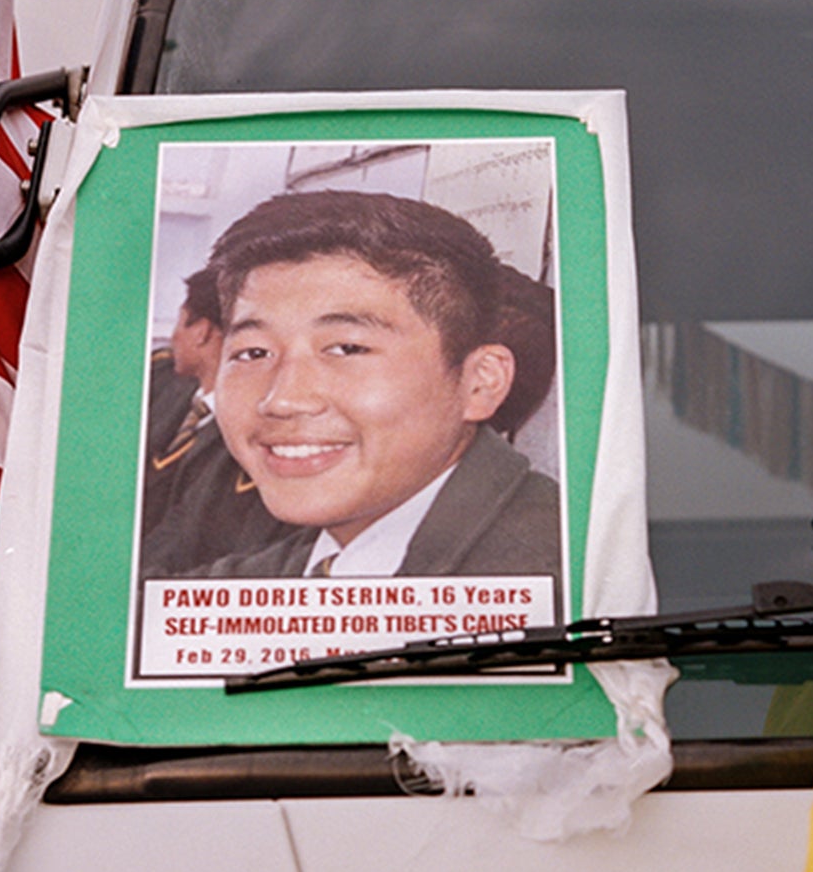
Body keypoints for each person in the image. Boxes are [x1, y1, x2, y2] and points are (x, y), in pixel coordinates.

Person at [198, 190, 562, 586]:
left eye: (346, 348)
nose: (282, 399)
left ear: (479, 383)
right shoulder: (282, 570)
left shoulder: (548, 576)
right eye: (253, 353)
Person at [141, 267, 297, 574]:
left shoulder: (254, 437)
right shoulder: (160, 380)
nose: (173, 336)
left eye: (180, 320)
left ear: (202, 331)